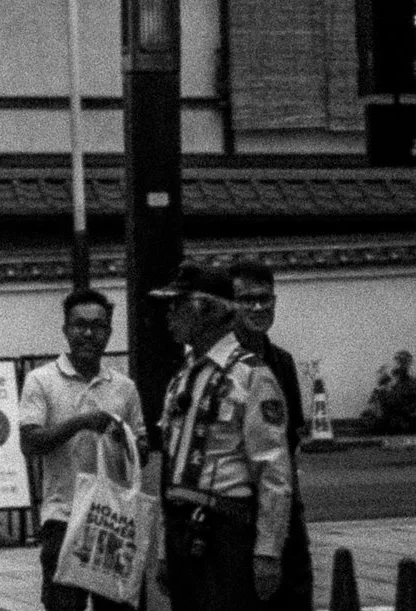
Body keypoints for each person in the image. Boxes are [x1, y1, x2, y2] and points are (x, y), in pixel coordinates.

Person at [154, 261, 292, 611]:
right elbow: (170, 467)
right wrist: (163, 548)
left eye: (178, 305)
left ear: (207, 311)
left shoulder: (250, 376)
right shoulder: (184, 376)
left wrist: (268, 552)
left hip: (225, 531)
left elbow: (273, 471)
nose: (169, 314)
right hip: (181, 527)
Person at [18, 287, 147, 609]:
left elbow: (141, 449)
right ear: (66, 330)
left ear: (109, 332)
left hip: (112, 519)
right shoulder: (41, 380)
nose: (88, 333)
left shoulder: (124, 387)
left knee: (115, 606)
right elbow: (30, 442)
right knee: (64, 605)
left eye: (98, 326)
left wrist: (126, 441)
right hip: (63, 516)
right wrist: (81, 423)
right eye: (80, 325)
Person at [228, 260, 313, 611]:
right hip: (237, 511)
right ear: (229, 304)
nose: (259, 308)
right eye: (248, 299)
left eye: (266, 299)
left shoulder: (282, 362)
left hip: (282, 506)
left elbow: (288, 442)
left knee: (293, 595)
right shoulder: (220, 366)